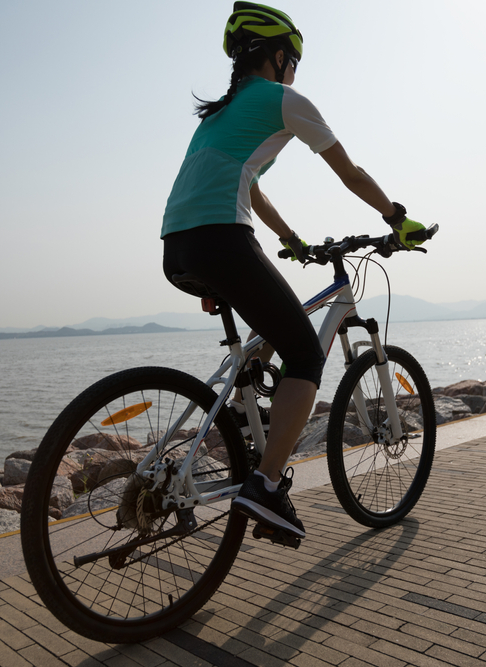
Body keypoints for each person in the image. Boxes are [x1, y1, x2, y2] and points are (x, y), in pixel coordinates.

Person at [161, 2, 426, 540]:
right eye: (294, 61)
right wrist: (398, 219)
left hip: (178, 245)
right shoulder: (283, 100)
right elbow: (349, 172)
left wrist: (290, 240)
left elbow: (250, 186)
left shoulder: (221, 111)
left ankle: (236, 420)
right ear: (279, 56)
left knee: (268, 334)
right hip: (220, 235)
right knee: (305, 352)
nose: (296, 71)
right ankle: (265, 485)